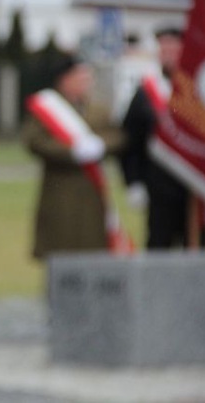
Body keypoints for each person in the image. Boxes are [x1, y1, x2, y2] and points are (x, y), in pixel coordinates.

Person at [23, 55, 125, 259]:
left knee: (92, 244)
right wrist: (72, 152)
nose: (86, 81)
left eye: (87, 77)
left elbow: (118, 136)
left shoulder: (98, 109)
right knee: (61, 246)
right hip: (60, 188)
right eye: (80, 76)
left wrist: (100, 145)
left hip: (92, 191)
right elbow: (34, 141)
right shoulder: (48, 108)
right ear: (65, 79)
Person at [119, 27, 192, 248]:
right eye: (164, 48)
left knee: (196, 245)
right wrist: (133, 182)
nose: (168, 53)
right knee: (160, 244)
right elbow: (130, 141)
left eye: (174, 47)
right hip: (158, 186)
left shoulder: (198, 92)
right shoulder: (146, 93)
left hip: (193, 187)